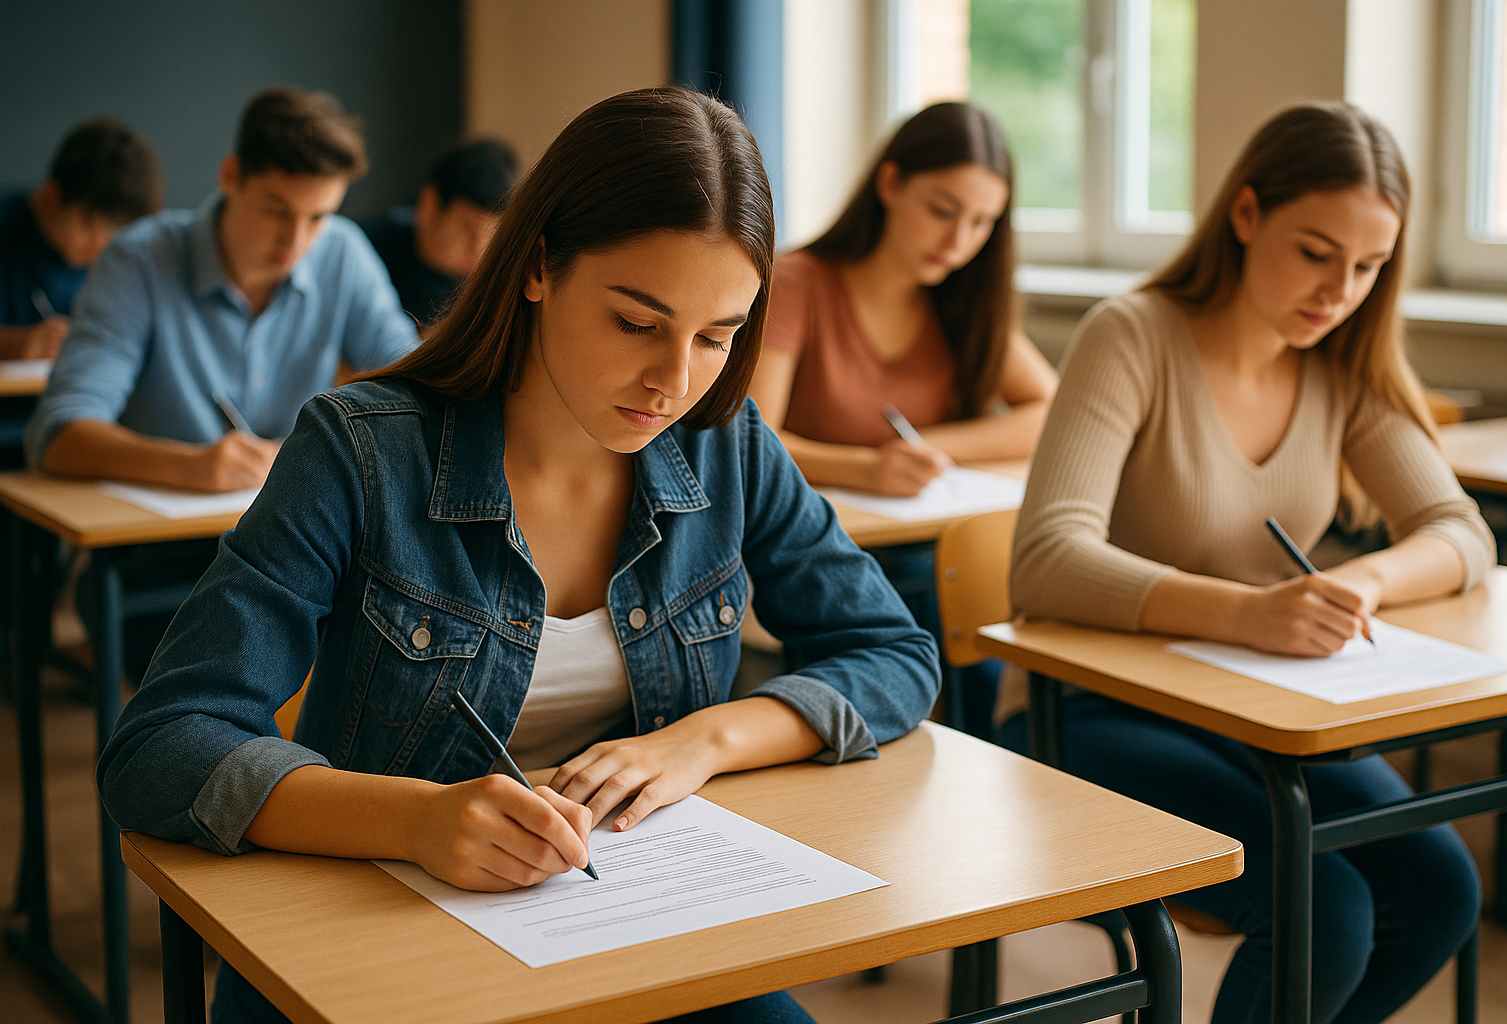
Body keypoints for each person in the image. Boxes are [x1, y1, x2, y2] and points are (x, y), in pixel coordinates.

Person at [98, 86, 940, 1024]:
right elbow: (159, 749)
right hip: (371, 937)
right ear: (538, 267)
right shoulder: (360, 450)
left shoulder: (728, 446)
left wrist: (702, 742)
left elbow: (896, 654)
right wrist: (418, 820)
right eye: (636, 323)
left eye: (716, 336)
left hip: (638, 933)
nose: (674, 381)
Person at [1000, 102, 1493, 1024]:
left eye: (1369, 266)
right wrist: (1244, 610)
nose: (1339, 289)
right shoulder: (1133, 335)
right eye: (1316, 252)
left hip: (1251, 706)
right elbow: (1045, 562)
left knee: (1440, 890)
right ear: (1246, 215)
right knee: (1329, 909)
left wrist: (1364, 581)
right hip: (1085, 712)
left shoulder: (1341, 366)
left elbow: (1462, 532)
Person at [26, 87, 420, 681]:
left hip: (302, 548)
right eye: (276, 210)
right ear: (231, 176)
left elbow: (418, 380)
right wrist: (190, 467)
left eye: (318, 216)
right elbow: (58, 435)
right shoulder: (138, 261)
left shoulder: (342, 254)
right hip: (159, 569)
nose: (297, 243)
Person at [749, 101, 1057, 739]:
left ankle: (999, 751)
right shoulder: (799, 283)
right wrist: (867, 467)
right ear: (889, 184)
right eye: (943, 211)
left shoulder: (964, 301)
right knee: (935, 594)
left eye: (981, 223)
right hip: (823, 536)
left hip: (931, 533)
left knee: (1004, 573)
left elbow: (1050, 409)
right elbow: (752, 435)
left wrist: (936, 447)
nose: (958, 241)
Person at [0, 117, 162, 360]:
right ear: (52, 196)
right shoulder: (8, 228)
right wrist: (18, 344)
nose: (99, 246)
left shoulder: (114, 263)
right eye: (87, 226)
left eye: (113, 234)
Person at [364, 137, 519, 327]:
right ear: (429, 205)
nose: (478, 248)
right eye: (467, 228)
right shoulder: (362, 252)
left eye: (493, 234)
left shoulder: (502, 286)